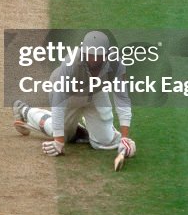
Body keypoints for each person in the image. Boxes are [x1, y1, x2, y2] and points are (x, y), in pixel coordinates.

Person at [12, 31, 136, 169]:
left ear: (107, 54)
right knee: (62, 135)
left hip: (96, 93)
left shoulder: (116, 64)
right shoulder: (71, 63)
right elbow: (59, 101)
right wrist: (59, 141)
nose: (93, 59)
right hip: (68, 95)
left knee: (105, 142)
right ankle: (25, 111)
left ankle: (81, 130)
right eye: (90, 55)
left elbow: (122, 99)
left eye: (98, 56)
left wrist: (125, 138)